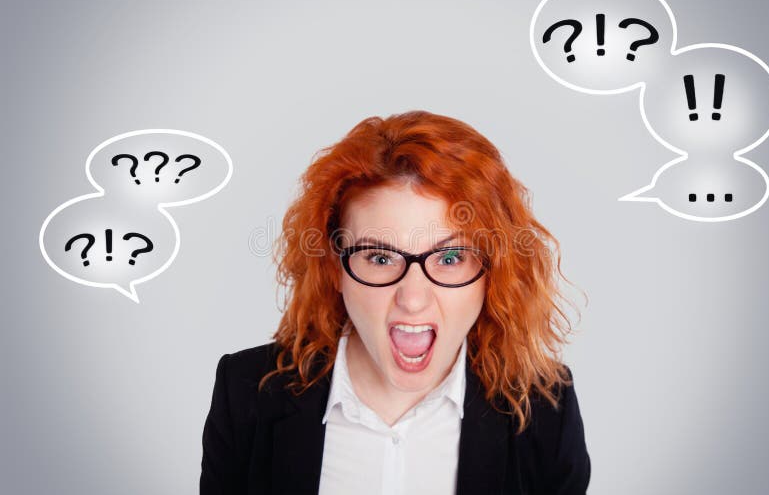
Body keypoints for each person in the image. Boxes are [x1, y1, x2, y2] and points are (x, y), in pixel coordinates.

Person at [200, 110, 591, 494]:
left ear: (493, 272)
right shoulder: (246, 393)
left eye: (450, 258)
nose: (414, 299)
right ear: (334, 267)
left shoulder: (545, 411)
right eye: (381, 258)